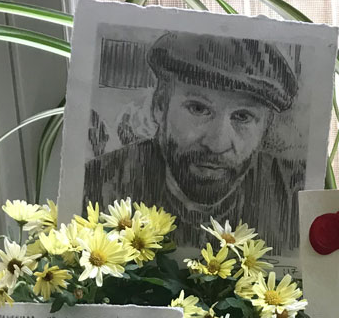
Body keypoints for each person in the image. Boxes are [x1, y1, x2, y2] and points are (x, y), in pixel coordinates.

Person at [83, 30, 304, 250]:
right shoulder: (95, 185)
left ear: (266, 128)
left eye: (242, 116)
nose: (217, 144)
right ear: (160, 105)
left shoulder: (297, 195)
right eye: (198, 109)